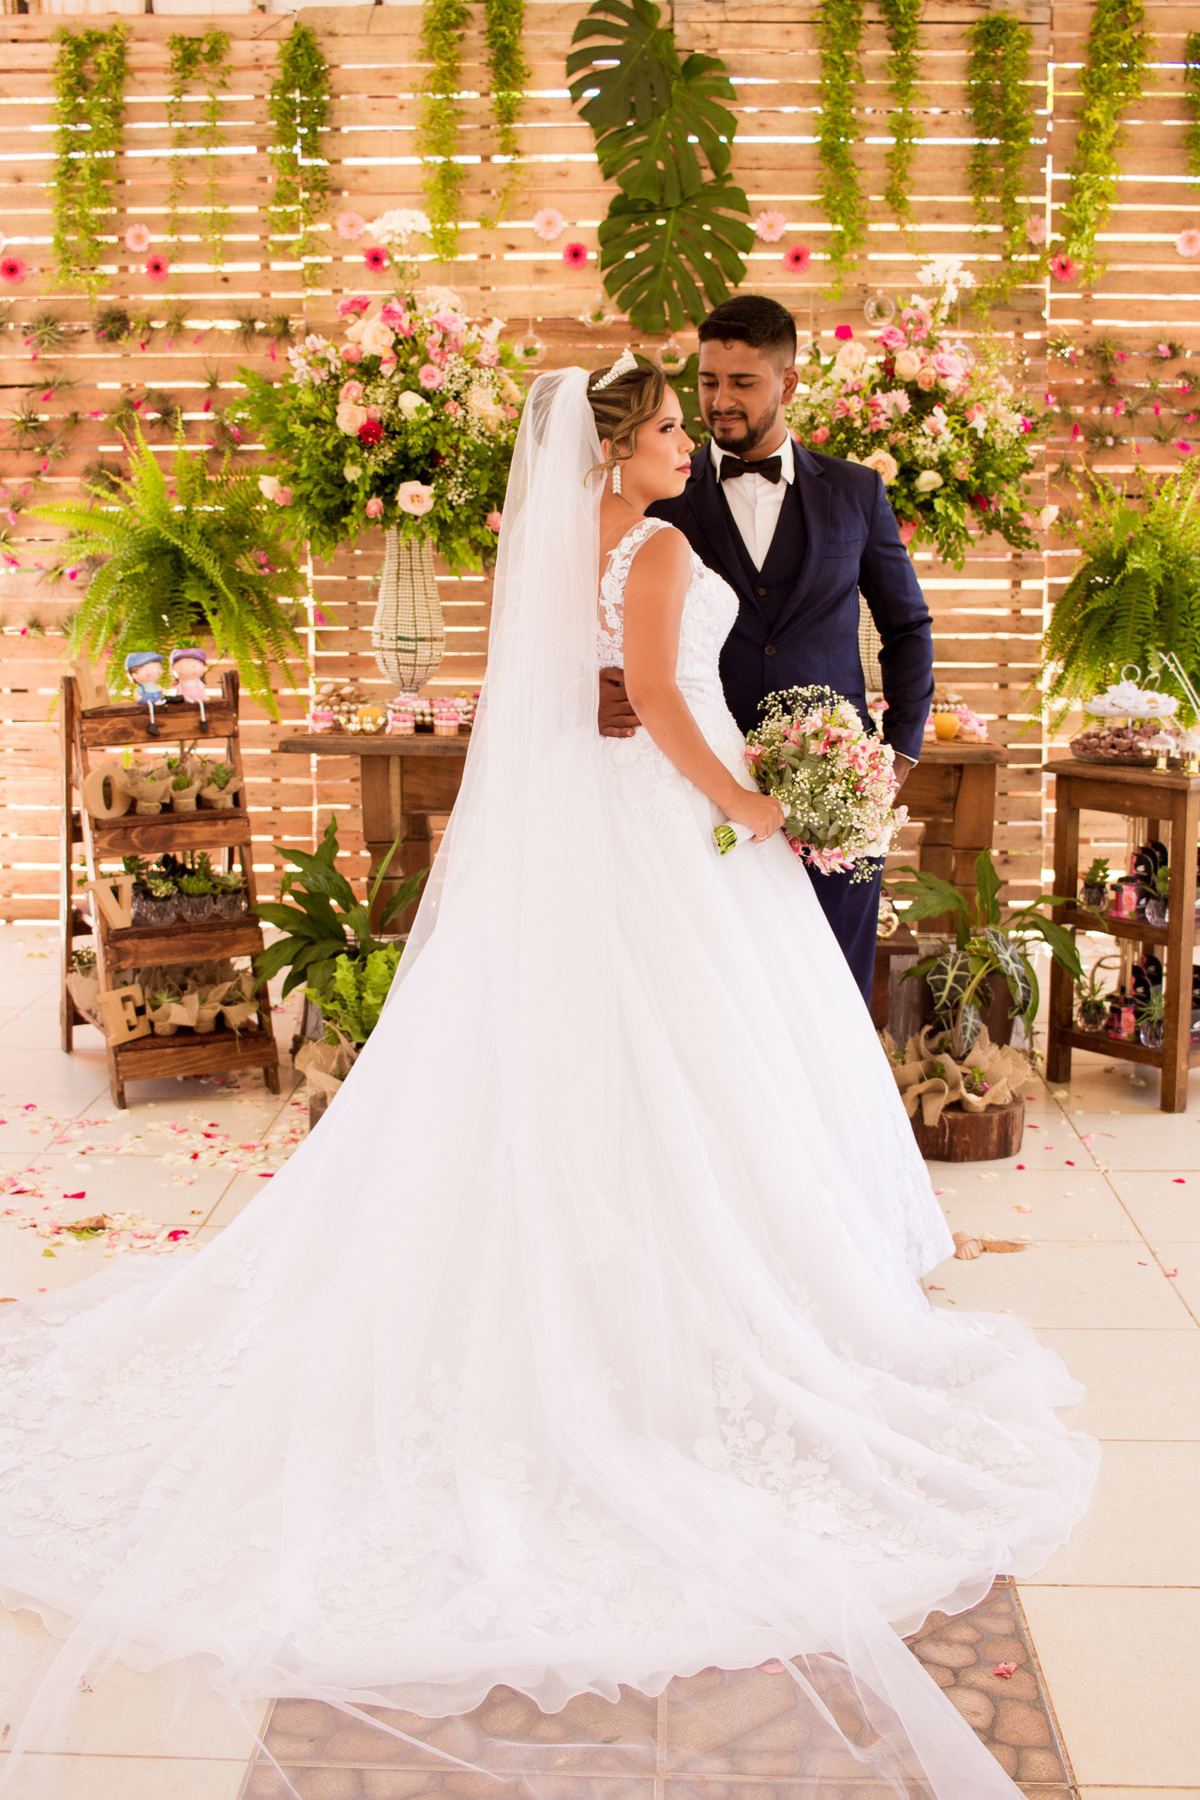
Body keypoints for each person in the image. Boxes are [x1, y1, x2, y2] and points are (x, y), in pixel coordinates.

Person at [0, 365, 1093, 1800]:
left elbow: (606, 699)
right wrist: (754, 801)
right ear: (618, 447)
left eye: (692, 434)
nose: (685, 452)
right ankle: (687, 1319)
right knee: (692, 1064)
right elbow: (655, 695)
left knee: (626, 1062)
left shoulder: (574, 541)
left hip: (608, 822)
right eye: (664, 433)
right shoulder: (653, 548)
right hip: (661, 825)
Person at [599, 296, 935, 1002]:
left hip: (836, 791)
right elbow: (607, 613)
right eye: (708, 382)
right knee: (720, 1002)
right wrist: (599, 682)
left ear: (788, 384)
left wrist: (897, 754)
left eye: (742, 383)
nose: (719, 401)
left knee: (834, 999)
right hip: (700, 787)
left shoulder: (856, 491)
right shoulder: (657, 493)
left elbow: (906, 626)